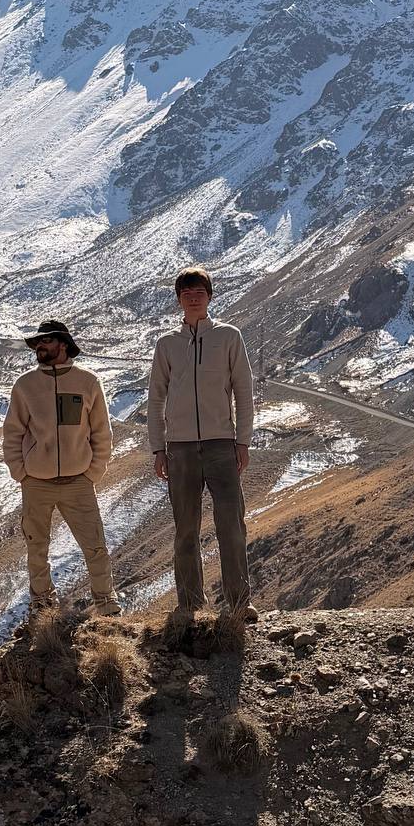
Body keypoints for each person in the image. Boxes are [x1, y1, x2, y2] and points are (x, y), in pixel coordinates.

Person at [146, 267, 254, 625]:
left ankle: (239, 603)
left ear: (209, 296)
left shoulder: (229, 337)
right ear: (179, 299)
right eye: (187, 292)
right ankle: (190, 604)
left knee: (231, 524)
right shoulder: (167, 345)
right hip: (180, 449)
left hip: (222, 444)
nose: (193, 297)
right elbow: (156, 398)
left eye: (199, 292)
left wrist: (243, 440)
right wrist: (158, 448)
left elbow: (244, 391)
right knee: (186, 528)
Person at [2, 318, 117, 615]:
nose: (40, 345)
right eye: (37, 341)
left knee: (95, 546)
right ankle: (42, 604)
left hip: (79, 480)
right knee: (36, 547)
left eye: (47, 340)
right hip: (36, 481)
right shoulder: (25, 385)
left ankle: (106, 603)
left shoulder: (88, 382)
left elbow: (102, 432)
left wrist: (93, 472)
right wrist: (21, 472)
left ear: (63, 344)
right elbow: (12, 432)